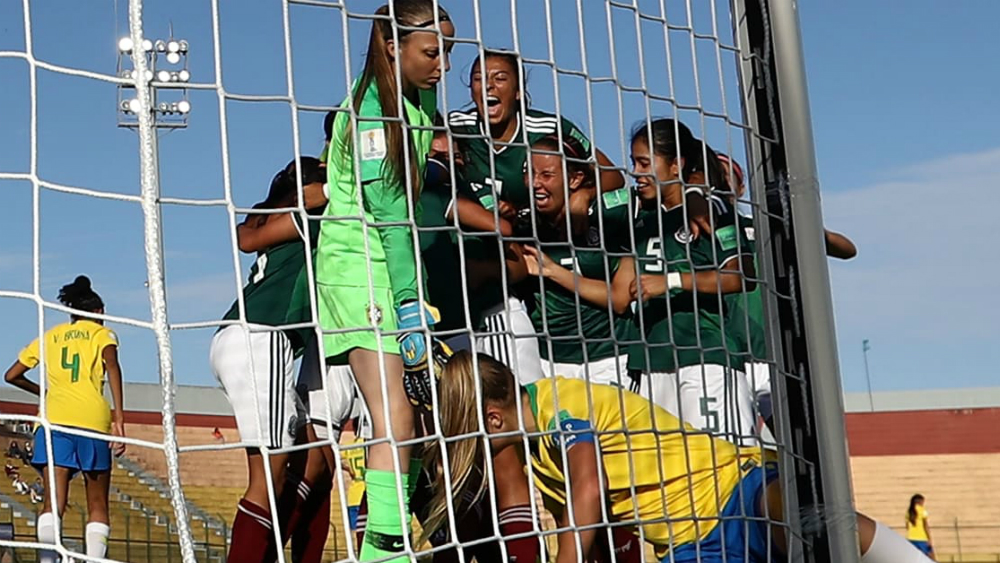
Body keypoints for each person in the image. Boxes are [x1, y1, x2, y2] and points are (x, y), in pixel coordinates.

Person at [428, 350, 937, 563]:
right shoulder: (536, 450)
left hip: (731, 488)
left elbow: (589, 489)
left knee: (816, 522)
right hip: (691, 542)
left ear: (492, 421)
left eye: (469, 441)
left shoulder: (559, 406)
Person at [314, 2, 454, 561]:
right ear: (393, 46)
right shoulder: (375, 114)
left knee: (414, 413)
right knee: (393, 408)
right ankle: (383, 550)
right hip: (359, 271)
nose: (443, 64)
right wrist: (408, 299)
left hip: (388, 268)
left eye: (449, 49)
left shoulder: (417, 94)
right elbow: (392, 218)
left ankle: (387, 540)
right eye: (431, 51)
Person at [210, 156, 327, 563]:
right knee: (267, 480)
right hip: (263, 337)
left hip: (237, 336)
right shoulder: (311, 217)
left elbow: (246, 234)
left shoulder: (267, 215)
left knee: (313, 456)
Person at [621, 119, 757, 445]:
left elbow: (741, 274)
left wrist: (671, 281)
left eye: (644, 163)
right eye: (633, 163)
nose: (636, 173)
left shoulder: (710, 210)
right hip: (652, 362)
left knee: (722, 463)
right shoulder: (635, 212)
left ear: (675, 164)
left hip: (705, 357)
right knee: (664, 475)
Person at [3, 276, 125, 562]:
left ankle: (48, 560)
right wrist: (119, 416)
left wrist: (43, 392)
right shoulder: (102, 334)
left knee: (53, 502)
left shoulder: (50, 336)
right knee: (97, 503)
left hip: (53, 420)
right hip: (92, 420)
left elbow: (11, 375)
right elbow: (113, 365)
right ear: (98, 312)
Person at [519, 135, 634, 385]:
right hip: (550, 362)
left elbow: (620, 299)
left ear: (574, 179)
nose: (535, 183)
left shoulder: (610, 217)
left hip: (610, 358)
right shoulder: (521, 227)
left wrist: (552, 271)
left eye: (546, 175)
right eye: (530, 173)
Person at [906, 494, 934, 559]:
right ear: (920, 502)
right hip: (922, 538)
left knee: (914, 558)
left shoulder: (908, 512)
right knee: (931, 556)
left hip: (911, 538)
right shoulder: (922, 510)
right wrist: (929, 538)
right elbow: (925, 525)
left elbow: (907, 526)